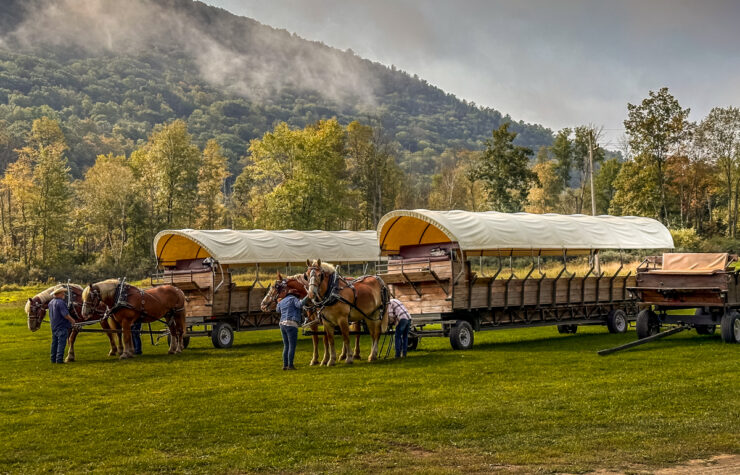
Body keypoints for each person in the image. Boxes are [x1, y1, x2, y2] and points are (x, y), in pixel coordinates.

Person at [276, 291, 308, 370]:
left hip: (282, 324)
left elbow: (278, 310)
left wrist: (278, 302)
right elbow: (300, 305)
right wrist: (308, 296)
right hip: (291, 324)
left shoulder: (282, 301)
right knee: (292, 346)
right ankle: (290, 365)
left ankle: (285, 365)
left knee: (286, 345)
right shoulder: (293, 299)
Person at [48, 285, 76, 364]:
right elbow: (65, 315)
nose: (64, 294)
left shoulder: (51, 303)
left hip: (54, 326)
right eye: (63, 293)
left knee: (54, 343)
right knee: (61, 343)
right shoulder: (61, 303)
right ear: (59, 294)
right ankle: (59, 360)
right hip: (62, 326)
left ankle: (53, 359)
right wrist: (72, 320)